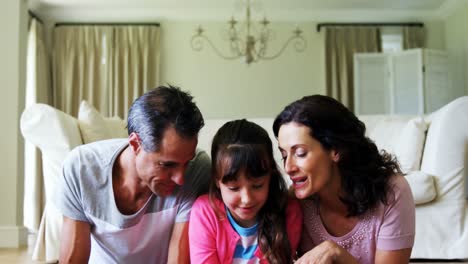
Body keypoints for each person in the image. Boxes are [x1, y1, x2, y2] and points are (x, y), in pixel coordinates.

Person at [54, 85, 211, 263]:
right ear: (136, 144)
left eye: (187, 162)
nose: (180, 178)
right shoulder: (81, 168)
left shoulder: (198, 169)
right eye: (167, 165)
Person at [273, 95, 415, 264]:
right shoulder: (296, 203)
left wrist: (336, 253)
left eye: (300, 153)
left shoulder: (392, 192)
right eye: (284, 155)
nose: (288, 167)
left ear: (336, 150)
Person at [189, 119, 303, 264]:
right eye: (234, 188)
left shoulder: (289, 212)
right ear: (217, 180)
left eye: (257, 186)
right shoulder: (205, 212)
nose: (247, 199)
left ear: (270, 176)